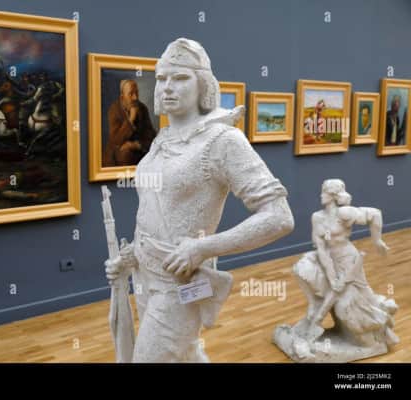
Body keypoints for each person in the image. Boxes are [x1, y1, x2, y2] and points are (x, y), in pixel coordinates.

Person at [104, 38, 294, 362]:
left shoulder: (223, 141)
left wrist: (202, 248)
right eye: (162, 78)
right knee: (187, 353)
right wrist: (132, 255)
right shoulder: (162, 139)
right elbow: (155, 209)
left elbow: (279, 216)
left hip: (182, 282)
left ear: (203, 83)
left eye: (180, 77)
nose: (167, 87)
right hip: (146, 275)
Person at [293, 179, 398, 348]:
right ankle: (314, 305)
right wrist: (331, 276)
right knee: (301, 267)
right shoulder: (317, 217)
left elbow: (375, 214)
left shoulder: (344, 213)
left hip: (347, 259)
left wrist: (377, 240)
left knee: (360, 294)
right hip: (327, 257)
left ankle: (381, 322)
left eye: (324, 192)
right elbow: (321, 249)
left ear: (333, 196)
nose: (321, 195)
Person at [102, 79, 156, 167]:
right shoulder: (114, 110)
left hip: (138, 152)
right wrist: (131, 119)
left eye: (136, 93)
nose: (135, 97)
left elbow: (151, 136)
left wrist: (136, 145)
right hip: (116, 156)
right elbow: (115, 141)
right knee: (125, 154)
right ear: (122, 97)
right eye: (131, 94)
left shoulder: (142, 108)